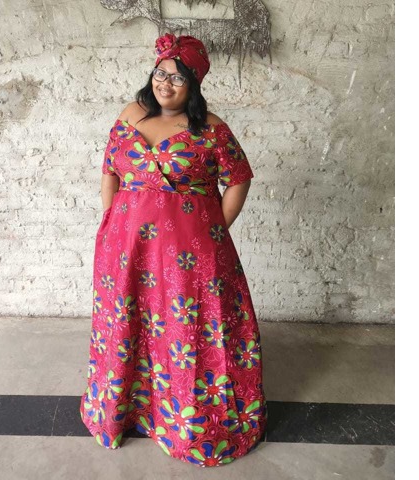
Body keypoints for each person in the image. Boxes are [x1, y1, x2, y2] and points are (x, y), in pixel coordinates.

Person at [80, 33, 267, 467]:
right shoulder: (130, 114)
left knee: (187, 332)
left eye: (178, 78)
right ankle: (128, 412)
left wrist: (213, 231)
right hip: (127, 250)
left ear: (194, 85)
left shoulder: (212, 129)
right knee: (129, 325)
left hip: (189, 255)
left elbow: (239, 178)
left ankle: (187, 423)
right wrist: (111, 222)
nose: (165, 84)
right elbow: (110, 169)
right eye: (161, 73)